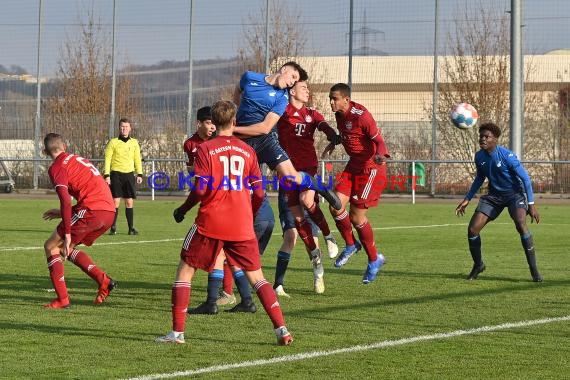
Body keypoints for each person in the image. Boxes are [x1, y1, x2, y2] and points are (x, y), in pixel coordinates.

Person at [156, 100, 292, 345]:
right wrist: (248, 213)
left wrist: (184, 208)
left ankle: (177, 333)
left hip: (211, 221)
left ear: (214, 122)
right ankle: (282, 330)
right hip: (241, 224)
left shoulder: (206, 149)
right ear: (234, 122)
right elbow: (260, 193)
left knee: (185, 271)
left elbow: (200, 189)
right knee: (258, 278)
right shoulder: (248, 151)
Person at [182, 106, 273, 314]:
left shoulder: (222, 146)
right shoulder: (192, 144)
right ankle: (245, 302)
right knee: (230, 257)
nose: (211, 126)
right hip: (244, 211)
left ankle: (213, 302)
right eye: (206, 122)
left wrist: (187, 206)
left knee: (218, 257)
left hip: (232, 211)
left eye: (212, 122)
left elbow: (201, 187)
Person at [232, 61, 341, 211]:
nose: (292, 82)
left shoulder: (282, 97)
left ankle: (320, 188)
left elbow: (265, 128)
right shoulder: (249, 77)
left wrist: (234, 129)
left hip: (265, 140)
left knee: (292, 175)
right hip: (242, 141)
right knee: (236, 181)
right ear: (283, 69)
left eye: (295, 81)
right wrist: (236, 111)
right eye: (292, 76)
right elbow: (238, 89)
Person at [273, 80, 341, 296]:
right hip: (286, 174)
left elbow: (323, 126)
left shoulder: (312, 114)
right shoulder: (281, 112)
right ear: (292, 91)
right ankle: (279, 284)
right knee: (292, 235)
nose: (307, 91)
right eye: (303, 88)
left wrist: (332, 136)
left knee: (307, 205)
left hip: (308, 170)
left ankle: (326, 248)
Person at [455, 122, 542, 282]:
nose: (482, 139)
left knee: (520, 223)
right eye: (481, 136)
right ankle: (478, 265)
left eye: (486, 136)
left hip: (514, 195)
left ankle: (534, 269)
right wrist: (467, 198)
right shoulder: (479, 156)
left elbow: (525, 179)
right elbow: (480, 178)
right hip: (494, 196)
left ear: (495, 139)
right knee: (472, 230)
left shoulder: (507, 156)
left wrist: (531, 204)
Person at [41, 133, 117, 308]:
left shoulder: (56, 167)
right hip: (109, 211)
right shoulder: (78, 159)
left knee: (51, 246)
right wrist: (63, 213)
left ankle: (62, 299)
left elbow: (66, 200)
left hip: (92, 210)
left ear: (45, 151)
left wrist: (67, 232)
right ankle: (103, 281)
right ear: (65, 146)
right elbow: (90, 191)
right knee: (64, 249)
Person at [324, 83, 389, 284]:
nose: (331, 102)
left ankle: (374, 259)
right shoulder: (339, 116)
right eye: (330, 98)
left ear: (346, 99)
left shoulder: (362, 115)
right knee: (335, 206)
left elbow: (379, 141)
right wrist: (333, 142)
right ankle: (351, 245)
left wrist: (381, 155)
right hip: (353, 166)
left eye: (335, 98)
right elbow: (346, 137)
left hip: (370, 169)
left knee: (356, 216)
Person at [104, 117, 143, 235]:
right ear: (119, 128)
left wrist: (139, 173)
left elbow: (137, 159)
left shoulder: (134, 142)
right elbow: (107, 159)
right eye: (122, 126)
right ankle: (113, 227)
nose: (124, 129)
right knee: (115, 201)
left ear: (130, 128)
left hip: (129, 175)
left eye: (126, 127)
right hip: (116, 174)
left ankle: (131, 228)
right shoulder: (113, 142)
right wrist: (107, 175)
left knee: (129, 202)